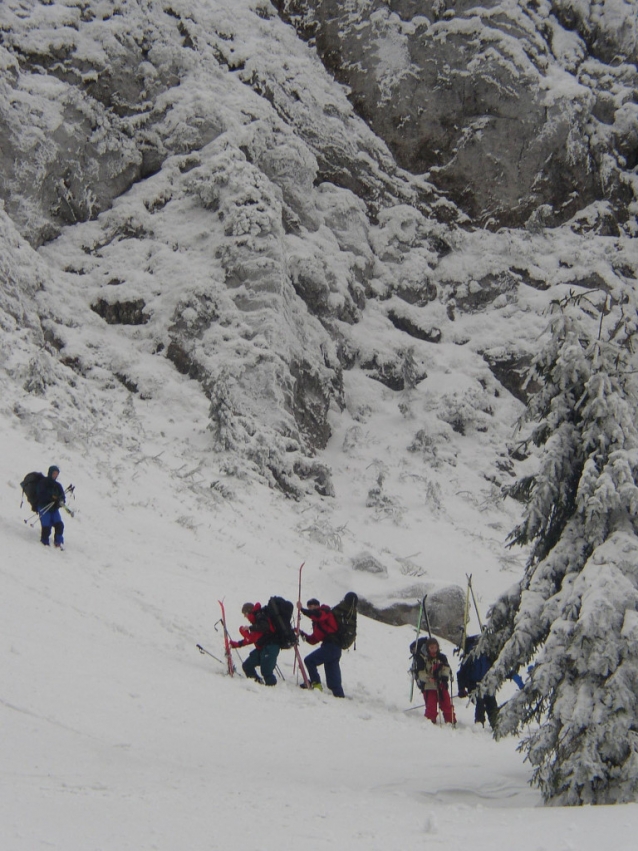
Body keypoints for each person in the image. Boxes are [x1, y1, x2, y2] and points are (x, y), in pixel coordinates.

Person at [298, 598, 345, 697]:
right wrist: (302, 633)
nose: (310, 609)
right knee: (333, 677)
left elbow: (317, 615)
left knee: (309, 660)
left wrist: (302, 609)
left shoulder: (324, 611)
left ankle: (316, 684)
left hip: (331, 646)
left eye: (311, 607)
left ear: (317, 606)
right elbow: (314, 639)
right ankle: (339, 696)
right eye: (309, 607)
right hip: (334, 648)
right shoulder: (318, 622)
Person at [229, 602, 281, 686]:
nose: (245, 617)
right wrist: (235, 644)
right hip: (262, 648)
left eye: (244, 614)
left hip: (271, 647)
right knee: (247, 666)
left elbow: (257, 634)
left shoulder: (260, 616)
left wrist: (247, 630)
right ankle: (257, 684)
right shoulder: (256, 621)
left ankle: (271, 689)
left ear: (247, 612)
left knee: (266, 671)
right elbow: (252, 638)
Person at [457, 634, 498, 728]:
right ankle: (479, 722)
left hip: (487, 683)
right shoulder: (470, 657)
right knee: (480, 702)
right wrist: (461, 688)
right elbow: (461, 674)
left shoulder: (488, 656)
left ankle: (495, 723)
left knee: (491, 702)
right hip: (473, 684)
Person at [414, 637, 456, 724]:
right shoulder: (423, 659)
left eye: (435, 647)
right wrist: (428, 678)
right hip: (429, 686)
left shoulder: (442, 657)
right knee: (431, 706)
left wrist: (444, 678)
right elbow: (420, 673)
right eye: (431, 648)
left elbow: (446, 668)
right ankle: (430, 721)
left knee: (447, 704)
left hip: (441, 684)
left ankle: (450, 720)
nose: (434, 650)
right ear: (428, 648)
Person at [36, 465, 66, 548]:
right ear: (50, 473)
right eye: (54, 473)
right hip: (44, 507)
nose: (55, 475)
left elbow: (62, 497)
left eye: (57, 474)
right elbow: (41, 495)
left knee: (59, 525)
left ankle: (58, 541)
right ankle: (44, 542)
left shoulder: (58, 486)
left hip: (54, 509)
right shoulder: (43, 483)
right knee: (46, 526)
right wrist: (51, 498)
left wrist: (60, 501)